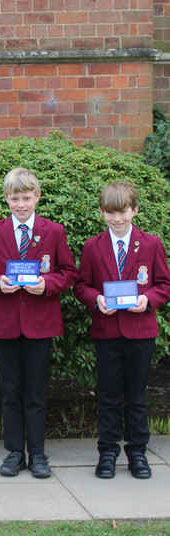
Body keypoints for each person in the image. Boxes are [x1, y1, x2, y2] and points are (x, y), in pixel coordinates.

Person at [0, 167, 77, 479]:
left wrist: (48, 285)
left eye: (26, 198)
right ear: (6, 199)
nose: (21, 204)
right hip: (6, 324)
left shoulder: (53, 231)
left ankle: (39, 453)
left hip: (40, 323)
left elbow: (69, 272)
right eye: (15, 198)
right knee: (11, 390)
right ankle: (15, 452)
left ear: (37, 197)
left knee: (36, 392)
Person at [73, 182, 170, 480]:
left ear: (135, 211)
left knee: (137, 395)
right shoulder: (92, 246)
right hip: (107, 332)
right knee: (109, 395)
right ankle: (108, 452)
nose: (117, 219)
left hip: (140, 332)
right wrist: (97, 299)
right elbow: (81, 286)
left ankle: (138, 452)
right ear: (102, 213)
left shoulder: (151, 244)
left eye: (123, 212)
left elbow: (164, 285)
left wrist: (148, 300)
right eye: (111, 213)